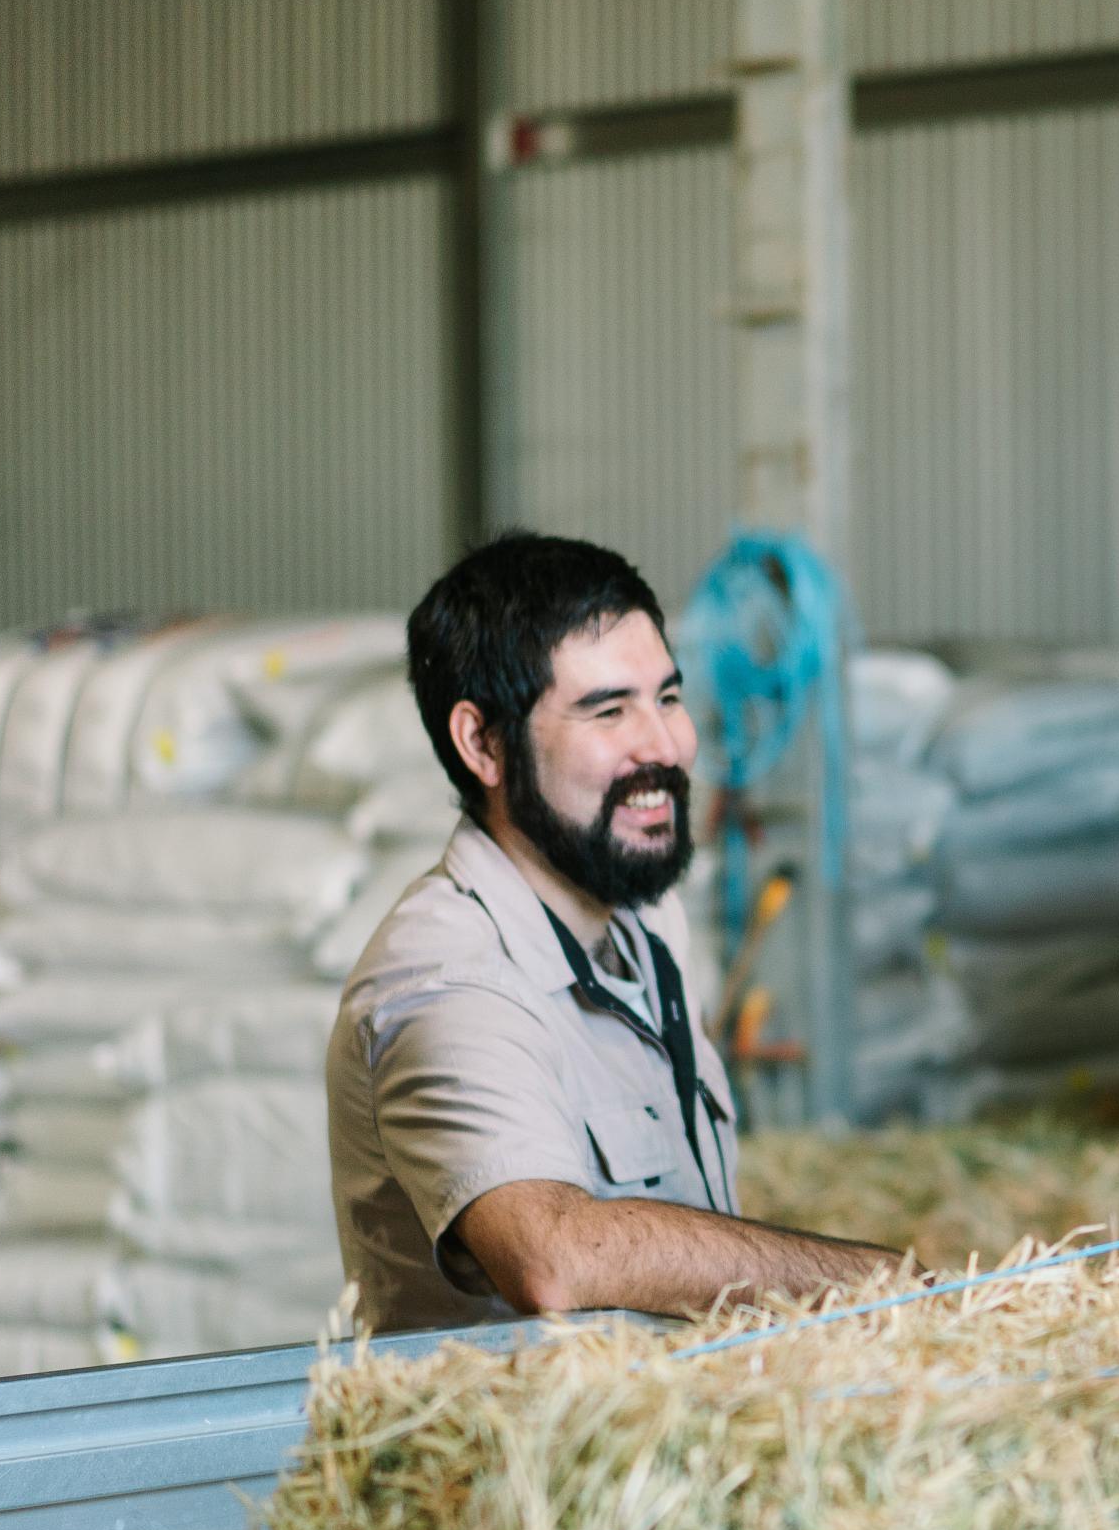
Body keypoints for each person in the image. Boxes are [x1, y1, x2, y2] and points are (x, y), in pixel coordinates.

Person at [329, 531, 900, 1330]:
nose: (668, 745)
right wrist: (894, 1286)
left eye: (667, 698)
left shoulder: (643, 918)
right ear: (483, 743)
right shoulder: (444, 978)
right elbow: (553, 1259)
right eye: (608, 711)